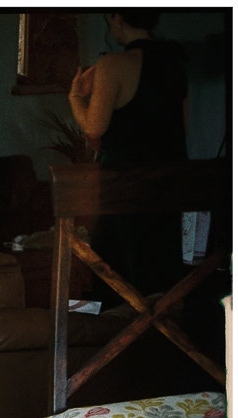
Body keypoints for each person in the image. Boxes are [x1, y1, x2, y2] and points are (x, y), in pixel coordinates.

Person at [68, 11, 188, 298]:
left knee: (114, 273)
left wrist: (75, 98)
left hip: (123, 188)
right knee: (160, 275)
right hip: (169, 185)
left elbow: (94, 129)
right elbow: (181, 127)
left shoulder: (114, 64)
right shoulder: (175, 62)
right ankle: (162, 337)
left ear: (117, 20)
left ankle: (117, 338)